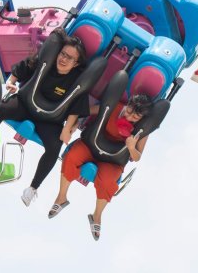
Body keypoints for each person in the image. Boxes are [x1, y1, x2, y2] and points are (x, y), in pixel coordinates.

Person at [0, 29, 90, 207]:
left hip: (50, 120)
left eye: (69, 58)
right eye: (63, 53)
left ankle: (32, 188)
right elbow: (22, 69)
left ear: (76, 63)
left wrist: (67, 129)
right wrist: (11, 82)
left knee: (54, 148)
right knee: (0, 108)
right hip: (26, 105)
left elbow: (77, 108)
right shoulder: (45, 62)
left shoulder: (76, 80)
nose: (63, 59)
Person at [48, 94, 153, 241]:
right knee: (72, 157)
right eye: (129, 112)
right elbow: (88, 111)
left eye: (135, 117)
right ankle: (61, 197)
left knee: (107, 182)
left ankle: (96, 215)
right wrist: (75, 123)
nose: (129, 118)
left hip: (112, 160)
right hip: (91, 145)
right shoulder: (115, 107)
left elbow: (137, 157)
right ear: (127, 105)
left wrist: (131, 147)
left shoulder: (142, 130)